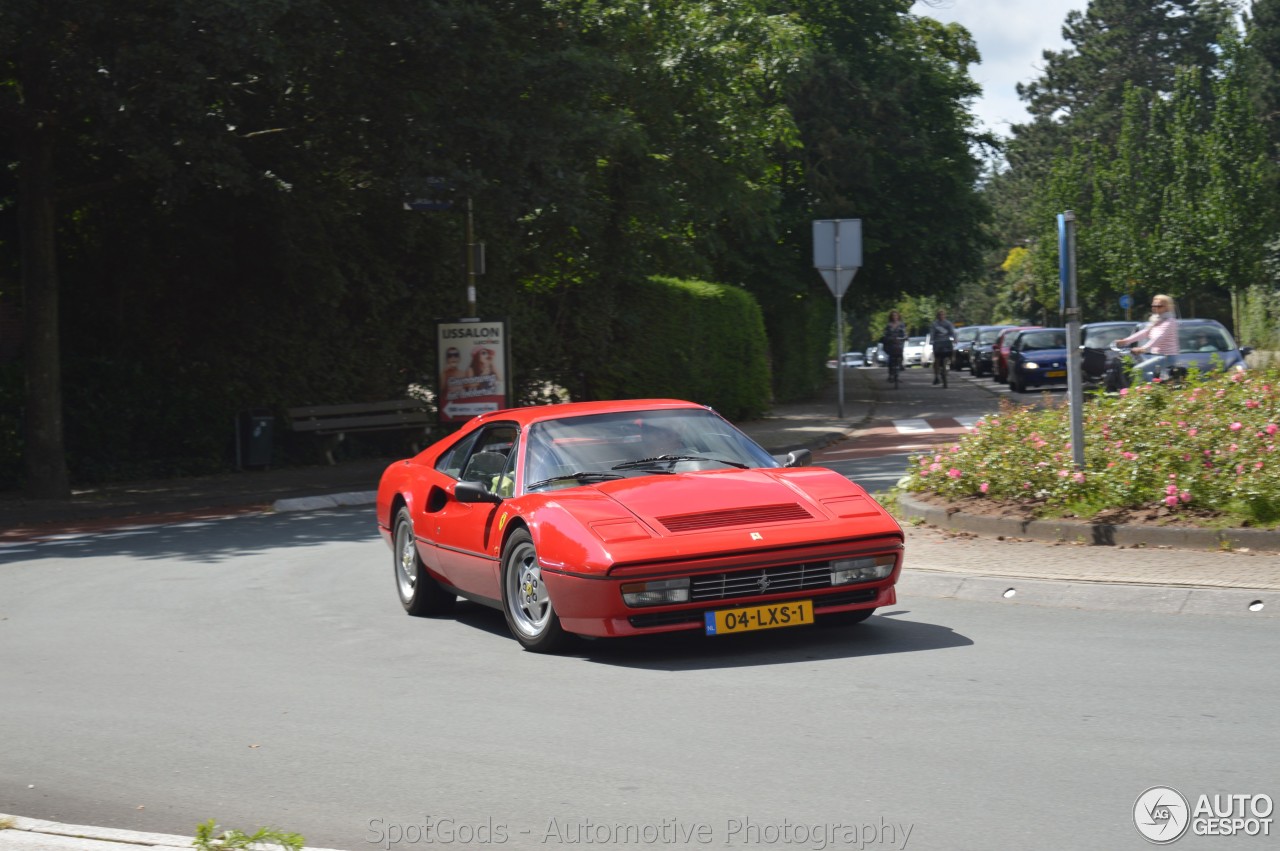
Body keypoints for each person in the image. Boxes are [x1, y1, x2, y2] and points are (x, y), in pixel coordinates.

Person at [1116, 294, 1179, 382]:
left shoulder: (1169, 321)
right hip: (1156, 355)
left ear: (1167, 307)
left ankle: (1147, 392)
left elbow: (1159, 337)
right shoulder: (1157, 319)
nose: (1155, 308)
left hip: (1167, 357)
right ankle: (1153, 390)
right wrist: (1126, 341)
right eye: (1154, 305)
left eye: (1159, 306)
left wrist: (1144, 348)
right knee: (1150, 376)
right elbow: (1145, 332)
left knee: (1138, 370)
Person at [928, 308, 958, 385]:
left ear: (945, 316)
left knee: (951, 352)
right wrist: (931, 341)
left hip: (946, 342)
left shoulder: (948, 323)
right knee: (937, 359)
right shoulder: (934, 324)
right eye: (940, 315)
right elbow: (932, 333)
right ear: (937, 316)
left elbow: (952, 332)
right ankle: (936, 376)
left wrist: (955, 338)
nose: (941, 316)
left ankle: (951, 363)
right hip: (937, 343)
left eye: (943, 315)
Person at [881, 310, 907, 381]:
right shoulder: (888, 325)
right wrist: (887, 338)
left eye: (896, 315)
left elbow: (904, 333)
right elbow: (885, 334)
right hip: (891, 343)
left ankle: (900, 366)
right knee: (891, 357)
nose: (894, 317)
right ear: (891, 317)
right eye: (893, 316)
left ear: (898, 316)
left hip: (899, 342)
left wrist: (905, 337)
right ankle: (890, 374)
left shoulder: (902, 324)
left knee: (900, 354)